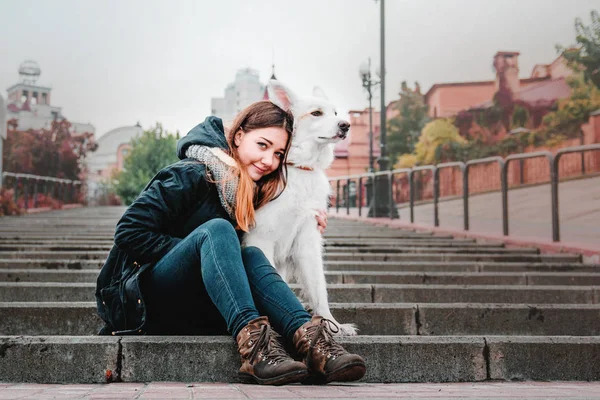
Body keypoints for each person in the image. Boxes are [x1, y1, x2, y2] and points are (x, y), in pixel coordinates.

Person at [95, 100, 366, 386]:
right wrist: (199, 250)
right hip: (144, 301)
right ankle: (257, 351)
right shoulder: (190, 174)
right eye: (262, 145)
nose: (269, 161)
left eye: (277, 153)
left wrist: (306, 222)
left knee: (248, 253)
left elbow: (271, 238)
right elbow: (128, 231)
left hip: (198, 305)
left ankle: (314, 344)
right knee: (217, 232)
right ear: (238, 137)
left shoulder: (245, 191)